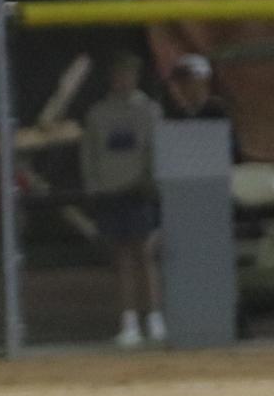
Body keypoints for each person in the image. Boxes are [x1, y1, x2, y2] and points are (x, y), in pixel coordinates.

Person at [81, 52, 165, 348]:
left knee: (145, 255)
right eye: (118, 74)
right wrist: (95, 188)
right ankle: (128, 323)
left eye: (128, 74)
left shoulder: (149, 111)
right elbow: (89, 155)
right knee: (122, 259)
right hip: (111, 193)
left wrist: (151, 182)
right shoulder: (98, 114)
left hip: (139, 192)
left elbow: (157, 150)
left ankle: (155, 319)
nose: (123, 80)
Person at [165, 52, 229, 121]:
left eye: (186, 82)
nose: (178, 89)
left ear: (204, 83)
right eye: (176, 83)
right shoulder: (170, 113)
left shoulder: (222, 112)